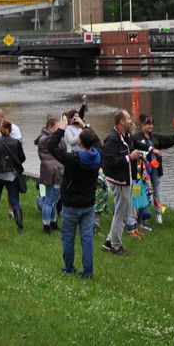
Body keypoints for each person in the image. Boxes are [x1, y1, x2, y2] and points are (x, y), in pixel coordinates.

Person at [47, 115, 103, 279]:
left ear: (79, 142)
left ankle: (69, 267)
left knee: (68, 236)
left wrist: (62, 128)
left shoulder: (72, 159)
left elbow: (51, 146)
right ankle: (88, 272)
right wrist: (86, 126)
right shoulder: (98, 156)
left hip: (71, 203)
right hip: (88, 203)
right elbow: (99, 143)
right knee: (86, 238)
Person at [102, 110, 156, 255]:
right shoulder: (112, 139)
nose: (131, 121)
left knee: (122, 213)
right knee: (122, 213)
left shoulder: (127, 135)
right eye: (128, 119)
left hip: (127, 178)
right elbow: (109, 161)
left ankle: (109, 241)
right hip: (119, 181)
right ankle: (116, 246)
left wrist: (150, 149)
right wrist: (129, 157)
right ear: (121, 122)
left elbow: (136, 143)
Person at [134, 113, 174, 225]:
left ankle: (159, 216)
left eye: (152, 124)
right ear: (142, 124)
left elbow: (170, 139)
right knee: (142, 191)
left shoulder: (155, 137)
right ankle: (141, 216)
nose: (150, 126)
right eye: (148, 124)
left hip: (155, 169)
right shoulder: (137, 137)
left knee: (156, 191)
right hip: (141, 170)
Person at [0, 120, 26, 232]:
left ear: (0, 130)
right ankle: (20, 226)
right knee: (15, 201)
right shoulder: (16, 142)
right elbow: (22, 158)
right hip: (12, 175)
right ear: (11, 130)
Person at [35, 116, 65, 234]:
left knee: (54, 200)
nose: (60, 129)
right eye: (58, 127)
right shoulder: (46, 139)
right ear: (51, 127)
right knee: (49, 200)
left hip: (54, 170)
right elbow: (63, 147)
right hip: (53, 171)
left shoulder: (48, 138)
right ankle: (46, 226)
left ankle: (53, 223)